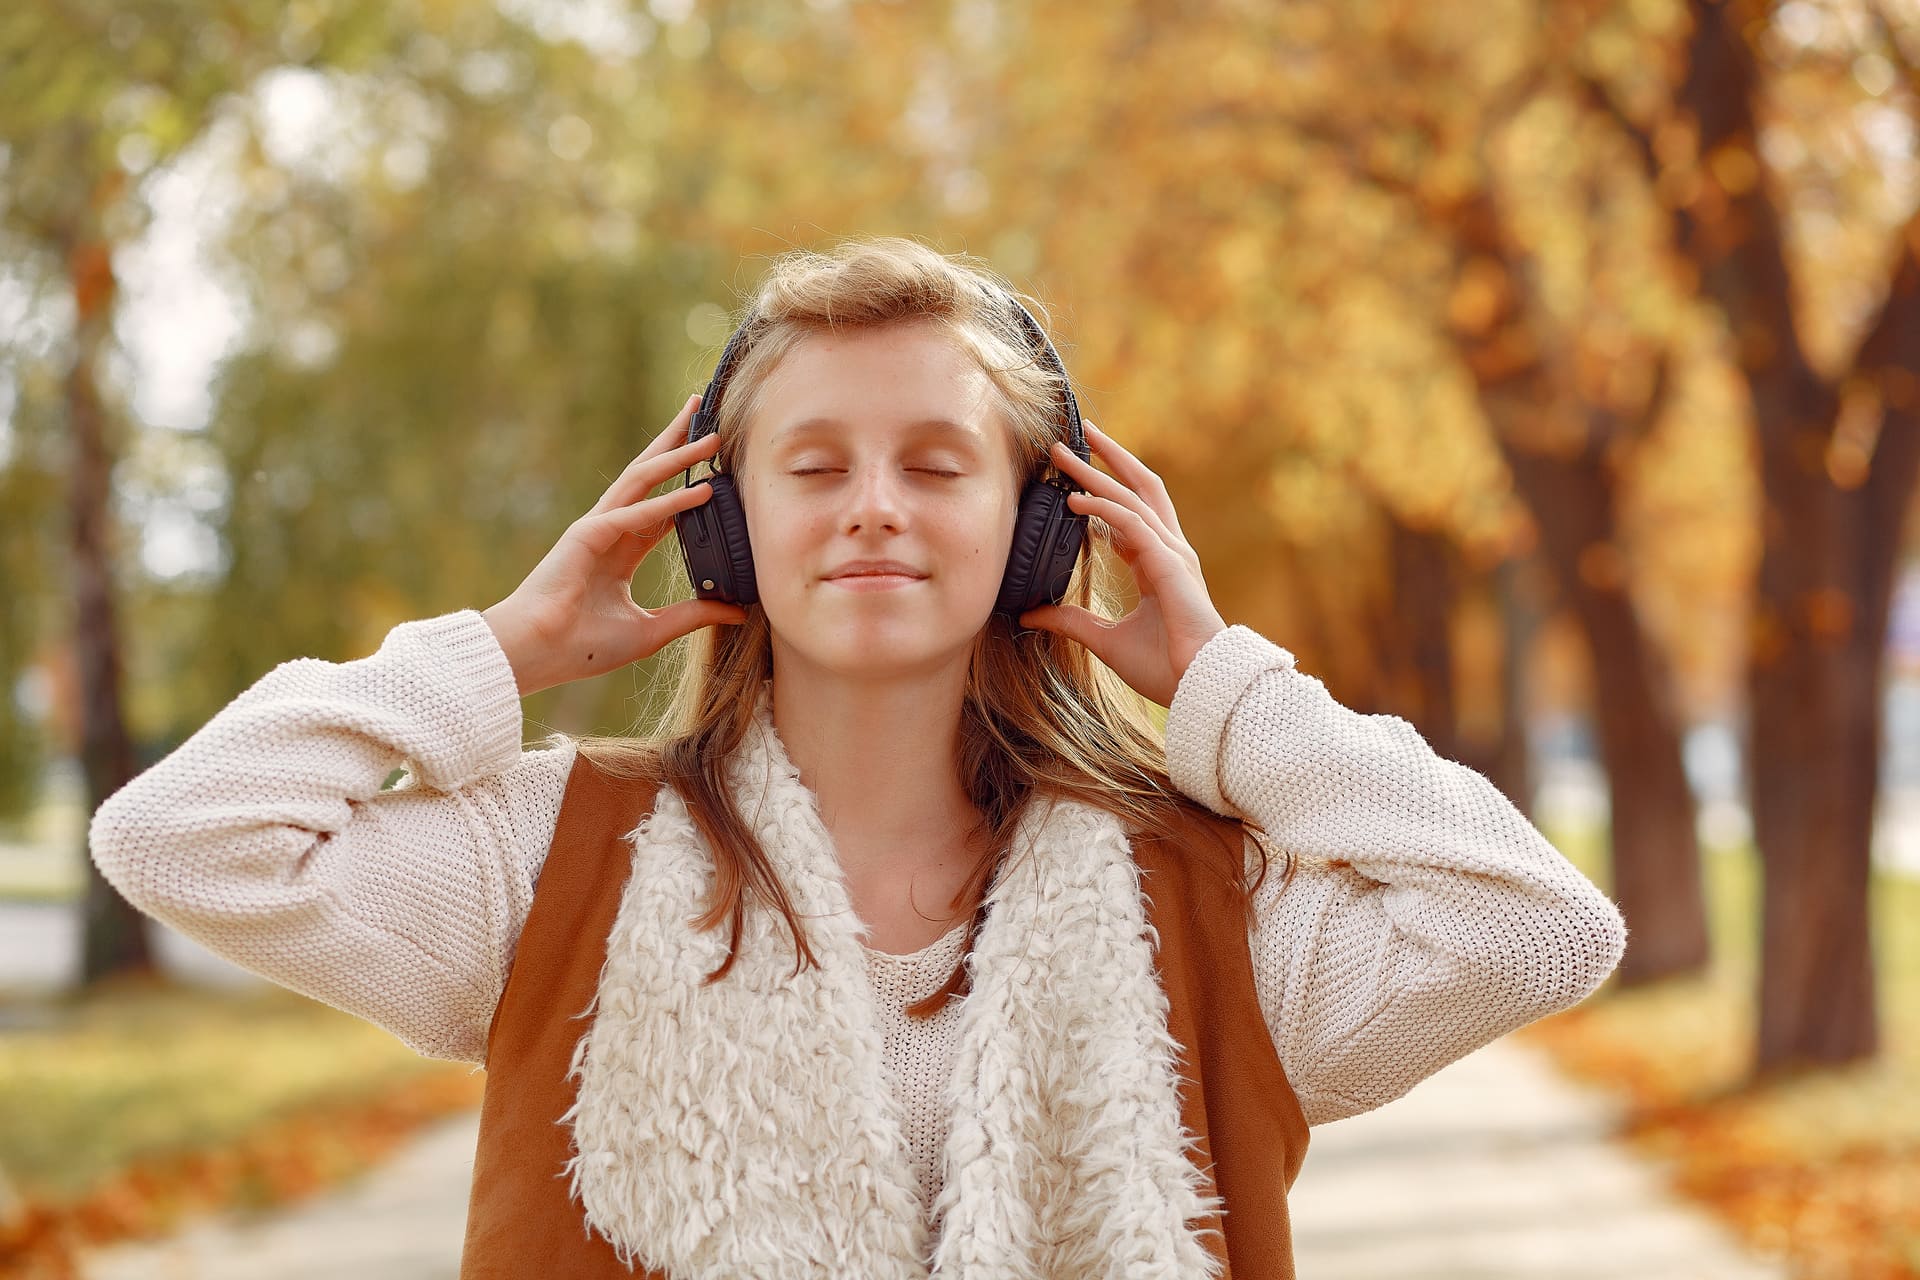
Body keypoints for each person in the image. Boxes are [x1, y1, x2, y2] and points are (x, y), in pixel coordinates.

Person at [89, 235, 1629, 1278]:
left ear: (1040, 527)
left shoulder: (1213, 905)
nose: (873, 505)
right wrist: (504, 648)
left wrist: (1228, 689)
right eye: (813, 465)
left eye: (938, 465)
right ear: (722, 522)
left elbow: (1540, 925)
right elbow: (185, 837)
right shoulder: (539, 861)